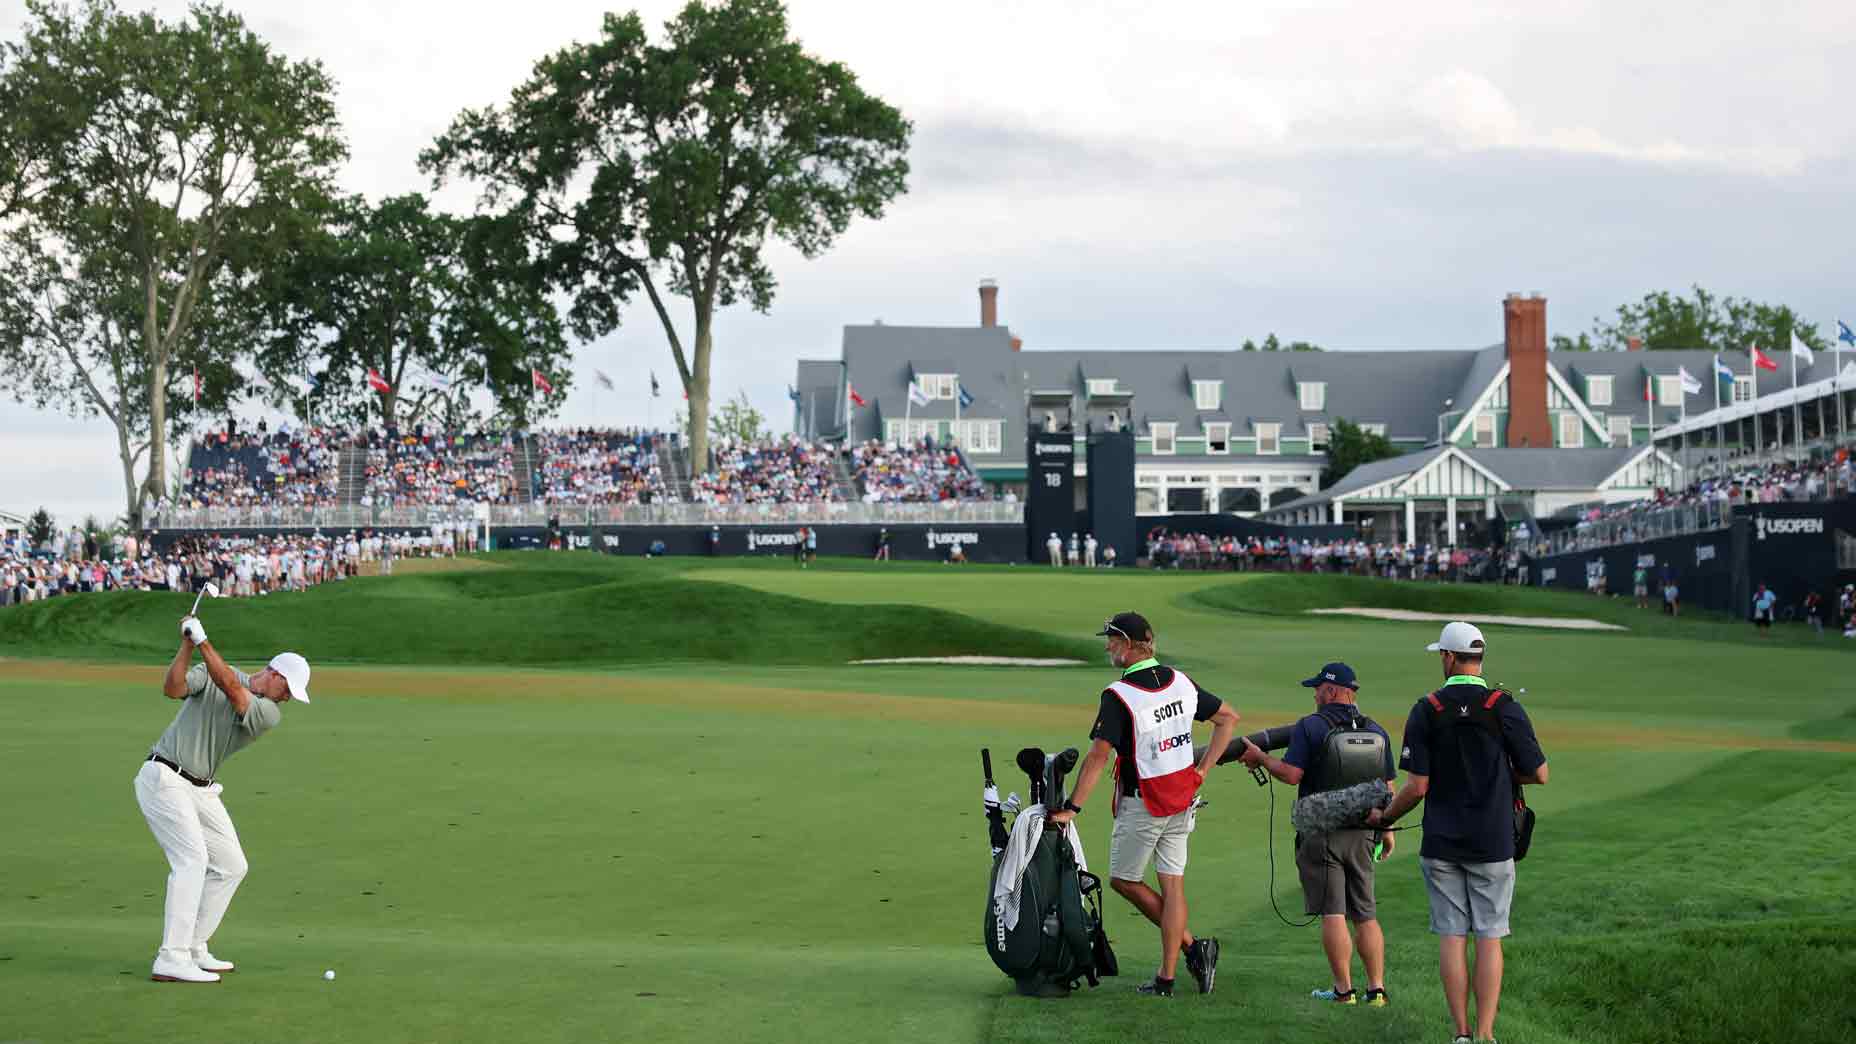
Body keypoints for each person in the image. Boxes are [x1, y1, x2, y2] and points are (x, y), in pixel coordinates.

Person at [1369, 622, 1547, 1044]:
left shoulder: (1428, 707)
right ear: (1479, 658)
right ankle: (1486, 1034)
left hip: (1443, 842)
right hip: (1493, 840)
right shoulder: (1502, 705)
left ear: (1449, 658)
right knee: (1489, 936)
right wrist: (1504, 776)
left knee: (1452, 935)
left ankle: (1461, 1033)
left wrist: (1385, 818)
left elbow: (1417, 787)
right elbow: (1539, 772)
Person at [1048, 612, 1241, 997]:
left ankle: (1189, 948)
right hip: (1182, 798)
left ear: (1131, 644)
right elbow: (1228, 718)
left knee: (1124, 879)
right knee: (1173, 888)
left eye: (1113, 641)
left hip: (1145, 804)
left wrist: (1073, 807)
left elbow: (1098, 757)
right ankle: (1169, 976)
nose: (1108, 647)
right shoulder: (1180, 682)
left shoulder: (1120, 695)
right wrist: (1202, 770)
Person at [136, 613, 312, 983]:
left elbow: (233, 690)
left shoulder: (269, 713)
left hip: (200, 788)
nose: (289, 699)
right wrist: (187, 646)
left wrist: (202, 641)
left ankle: (195, 945)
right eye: (289, 690)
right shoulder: (220, 670)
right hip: (164, 776)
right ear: (276, 674)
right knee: (192, 861)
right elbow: (173, 688)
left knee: (232, 865)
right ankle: (171, 956)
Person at [1239, 662, 1396, 1007]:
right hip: (1364, 831)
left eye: (1318, 689)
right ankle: (1377, 991)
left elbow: (1292, 774)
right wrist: (1384, 828)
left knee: (1333, 912)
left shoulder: (1311, 726)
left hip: (1322, 833)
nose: (1314, 695)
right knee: (1365, 913)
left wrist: (1261, 758)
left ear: (1333, 690)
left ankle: (1343, 991)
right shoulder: (1377, 729)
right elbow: (1387, 788)